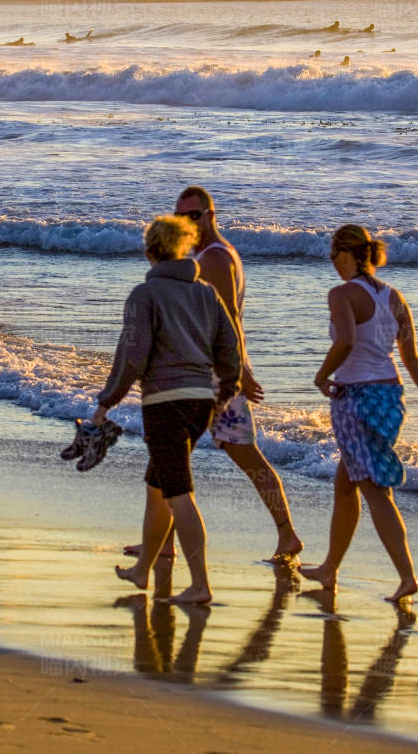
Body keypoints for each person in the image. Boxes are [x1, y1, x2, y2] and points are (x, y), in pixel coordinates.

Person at [135, 186, 303, 560]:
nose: (188, 223)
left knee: (243, 456)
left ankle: (287, 534)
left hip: (213, 375)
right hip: (207, 370)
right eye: (181, 217)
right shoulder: (210, 255)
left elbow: (227, 319)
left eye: (195, 216)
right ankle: (160, 542)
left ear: (211, 215)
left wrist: (239, 371)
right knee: (168, 457)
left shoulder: (214, 259)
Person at [299, 224, 418, 602]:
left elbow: (347, 341)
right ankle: (330, 567)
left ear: (346, 254)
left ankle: (407, 576)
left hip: (357, 397)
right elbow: (411, 359)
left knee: (374, 489)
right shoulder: (394, 297)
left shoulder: (341, 294)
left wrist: (321, 376)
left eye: (333, 255)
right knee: (345, 482)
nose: (332, 263)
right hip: (390, 396)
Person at [94, 215, 241, 606]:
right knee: (158, 484)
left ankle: (200, 585)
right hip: (201, 402)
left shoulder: (145, 296)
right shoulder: (206, 292)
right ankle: (144, 570)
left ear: (150, 253)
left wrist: (106, 401)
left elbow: (133, 356)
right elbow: (231, 347)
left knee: (178, 492)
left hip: (164, 403)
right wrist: (226, 391)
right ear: (183, 249)